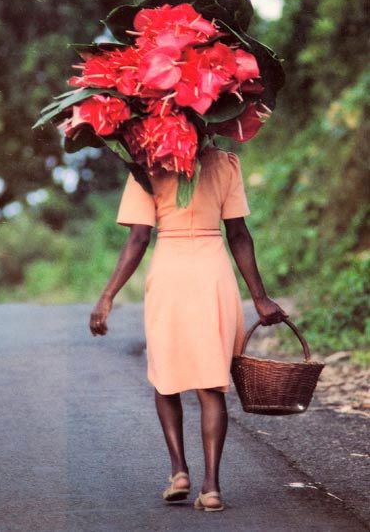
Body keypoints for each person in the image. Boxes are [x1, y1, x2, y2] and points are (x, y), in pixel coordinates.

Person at [88, 146, 288, 512]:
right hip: (214, 274)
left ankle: (179, 471)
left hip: (170, 274)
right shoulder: (224, 163)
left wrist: (107, 295)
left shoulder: (146, 166)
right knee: (211, 382)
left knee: (166, 375)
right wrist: (260, 298)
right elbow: (238, 234)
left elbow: (138, 238)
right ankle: (211, 487)